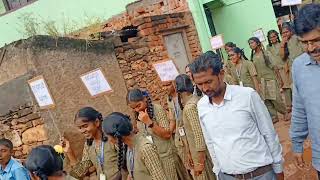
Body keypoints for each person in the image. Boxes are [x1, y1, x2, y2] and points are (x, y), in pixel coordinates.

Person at [189, 51, 284, 180]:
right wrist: (218, 171)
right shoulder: (201, 106)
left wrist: (278, 168)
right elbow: (210, 142)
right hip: (227, 176)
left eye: (208, 82)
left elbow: (268, 133)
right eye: (199, 84)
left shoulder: (247, 96)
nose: (205, 88)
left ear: (221, 75)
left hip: (260, 175)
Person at [290, 3, 320, 179]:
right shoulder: (299, 66)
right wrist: (297, 143)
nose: (311, 48)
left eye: (316, 40)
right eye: (304, 42)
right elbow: (300, 108)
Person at [61, 107, 127, 180]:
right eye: (79, 128)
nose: (82, 131)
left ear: (97, 122)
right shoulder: (88, 145)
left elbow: (129, 166)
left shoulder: (112, 139)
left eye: (85, 126)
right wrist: (69, 152)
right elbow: (80, 172)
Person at [127, 89, 178, 180]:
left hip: (166, 157)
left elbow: (167, 134)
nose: (137, 109)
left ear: (145, 99)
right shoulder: (137, 115)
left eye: (139, 105)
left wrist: (149, 123)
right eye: (133, 108)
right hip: (154, 159)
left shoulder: (157, 109)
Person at [102, 112, 168, 180]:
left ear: (117, 137)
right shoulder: (129, 148)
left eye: (108, 137)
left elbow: (160, 178)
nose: (109, 140)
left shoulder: (145, 148)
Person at [175, 74, 216, 180]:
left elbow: (198, 134)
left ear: (177, 88)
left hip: (201, 156)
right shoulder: (196, 100)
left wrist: (200, 162)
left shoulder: (190, 107)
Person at [248, 37, 287, 123]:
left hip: (270, 79)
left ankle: (285, 112)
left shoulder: (266, 53)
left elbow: (275, 67)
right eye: (249, 44)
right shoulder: (253, 57)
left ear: (258, 43)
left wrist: (280, 79)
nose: (251, 45)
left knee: (276, 99)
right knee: (266, 100)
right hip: (261, 81)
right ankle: (274, 116)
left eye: (252, 43)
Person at [162, 81, 193, 180]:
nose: (165, 87)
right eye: (164, 85)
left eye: (168, 84)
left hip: (188, 131)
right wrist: (169, 131)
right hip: (179, 134)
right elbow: (172, 119)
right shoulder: (169, 99)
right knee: (187, 163)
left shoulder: (183, 96)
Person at [266, 30, 292, 117]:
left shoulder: (282, 44)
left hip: (284, 67)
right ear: (268, 39)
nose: (273, 38)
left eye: (274, 36)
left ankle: (289, 105)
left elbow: (287, 56)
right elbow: (269, 60)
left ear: (277, 36)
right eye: (271, 37)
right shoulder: (268, 48)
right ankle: (288, 105)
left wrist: (287, 66)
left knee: (288, 86)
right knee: (283, 87)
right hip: (276, 70)